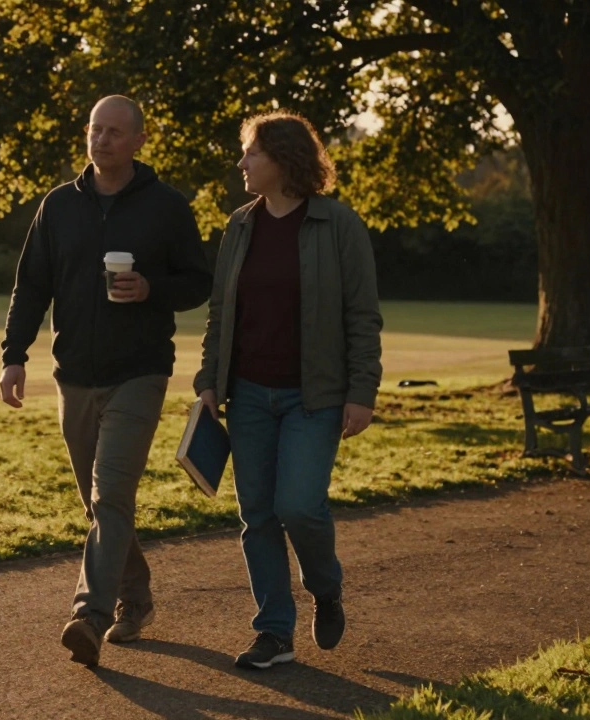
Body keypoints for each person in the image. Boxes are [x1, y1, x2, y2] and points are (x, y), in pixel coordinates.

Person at [0, 95, 213, 668]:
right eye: (96, 129)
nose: (103, 140)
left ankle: (90, 615)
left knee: (111, 492)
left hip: (139, 373)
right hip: (73, 377)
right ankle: (136, 599)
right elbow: (31, 286)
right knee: (100, 505)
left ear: (140, 141)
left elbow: (198, 281)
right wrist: (13, 355)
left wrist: (151, 289)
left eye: (116, 132)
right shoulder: (58, 206)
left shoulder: (167, 207)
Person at [193, 111, 383, 670]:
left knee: (298, 506)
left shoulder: (338, 225)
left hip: (315, 397)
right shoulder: (239, 226)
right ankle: (274, 633)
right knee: (258, 516)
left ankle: (326, 589)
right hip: (248, 394)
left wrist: (362, 391)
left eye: (252, 152)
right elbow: (221, 313)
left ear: (285, 159)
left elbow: (362, 315)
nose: (243, 163)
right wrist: (209, 381)